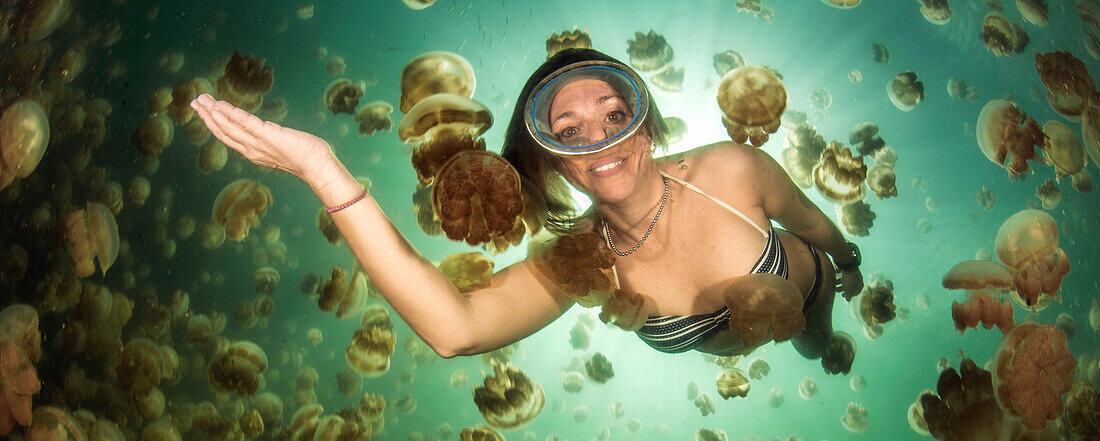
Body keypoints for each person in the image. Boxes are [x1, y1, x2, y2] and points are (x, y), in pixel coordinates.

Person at [190, 47, 864, 369]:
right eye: (567, 132)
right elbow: (458, 328)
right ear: (548, 160)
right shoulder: (586, 261)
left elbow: (812, 224)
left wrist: (850, 260)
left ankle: (824, 339)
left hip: (813, 284)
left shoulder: (731, 169)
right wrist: (325, 173)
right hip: (726, 350)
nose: (597, 137)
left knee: (814, 342)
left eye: (614, 114)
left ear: (646, 127)